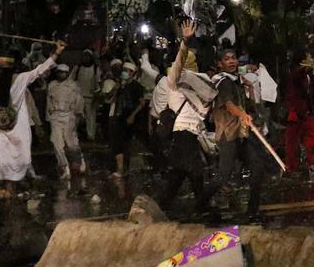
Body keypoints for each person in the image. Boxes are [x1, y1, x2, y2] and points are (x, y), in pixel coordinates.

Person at [0, 30, 63, 190]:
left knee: (6, 160)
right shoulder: (21, 78)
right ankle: (13, 188)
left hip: (3, 128)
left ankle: (10, 188)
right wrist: (57, 52)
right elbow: (40, 70)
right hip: (17, 126)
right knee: (20, 158)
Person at [158, 20, 215, 215]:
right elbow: (180, 61)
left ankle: (163, 207)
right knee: (195, 171)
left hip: (191, 132)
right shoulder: (175, 80)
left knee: (179, 174)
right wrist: (185, 41)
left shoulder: (201, 82)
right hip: (183, 131)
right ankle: (203, 207)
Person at [205, 46, 267, 217]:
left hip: (241, 133)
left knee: (257, 166)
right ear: (220, 64)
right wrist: (243, 115)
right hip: (228, 134)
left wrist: (250, 90)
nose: (231, 61)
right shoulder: (223, 82)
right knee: (223, 175)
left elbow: (247, 104)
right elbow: (229, 105)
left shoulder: (236, 81)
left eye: (233, 58)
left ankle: (252, 210)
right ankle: (200, 204)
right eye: (227, 59)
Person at [46, 63, 86, 179]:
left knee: (71, 144)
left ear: (67, 73)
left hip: (69, 116)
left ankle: (80, 160)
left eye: (63, 72)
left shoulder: (73, 86)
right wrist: (49, 116)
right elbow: (49, 101)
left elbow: (79, 101)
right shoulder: (52, 85)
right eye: (59, 72)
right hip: (56, 116)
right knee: (56, 143)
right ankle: (64, 167)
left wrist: (78, 115)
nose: (60, 74)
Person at [284, 54, 314, 173]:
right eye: (308, 58)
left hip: (307, 112)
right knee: (292, 142)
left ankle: (311, 162)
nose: (312, 60)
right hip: (295, 113)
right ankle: (291, 167)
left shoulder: (309, 76)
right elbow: (296, 78)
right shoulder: (294, 76)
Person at [108, 61, 146, 178]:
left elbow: (142, 103)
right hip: (119, 117)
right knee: (117, 143)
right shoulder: (120, 86)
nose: (124, 73)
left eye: (126, 71)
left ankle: (125, 169)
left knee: (126, 144)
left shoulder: (137, 86)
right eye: (123, 70)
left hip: (130, 119)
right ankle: (120, 170)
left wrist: (132, 115)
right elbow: (110, 98)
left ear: (132, 73)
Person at [72, 50, 99, 141]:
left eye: (88, 56)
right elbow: (71, 79)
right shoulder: (77, 67)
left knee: (90, 117)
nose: (86, 58)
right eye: (84, 56)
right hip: (78, 96)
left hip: (90, 96)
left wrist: (96, 93)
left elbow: (98, 82)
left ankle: (90, 135)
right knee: (76, 116)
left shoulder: (95, 68)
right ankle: (73, 135)